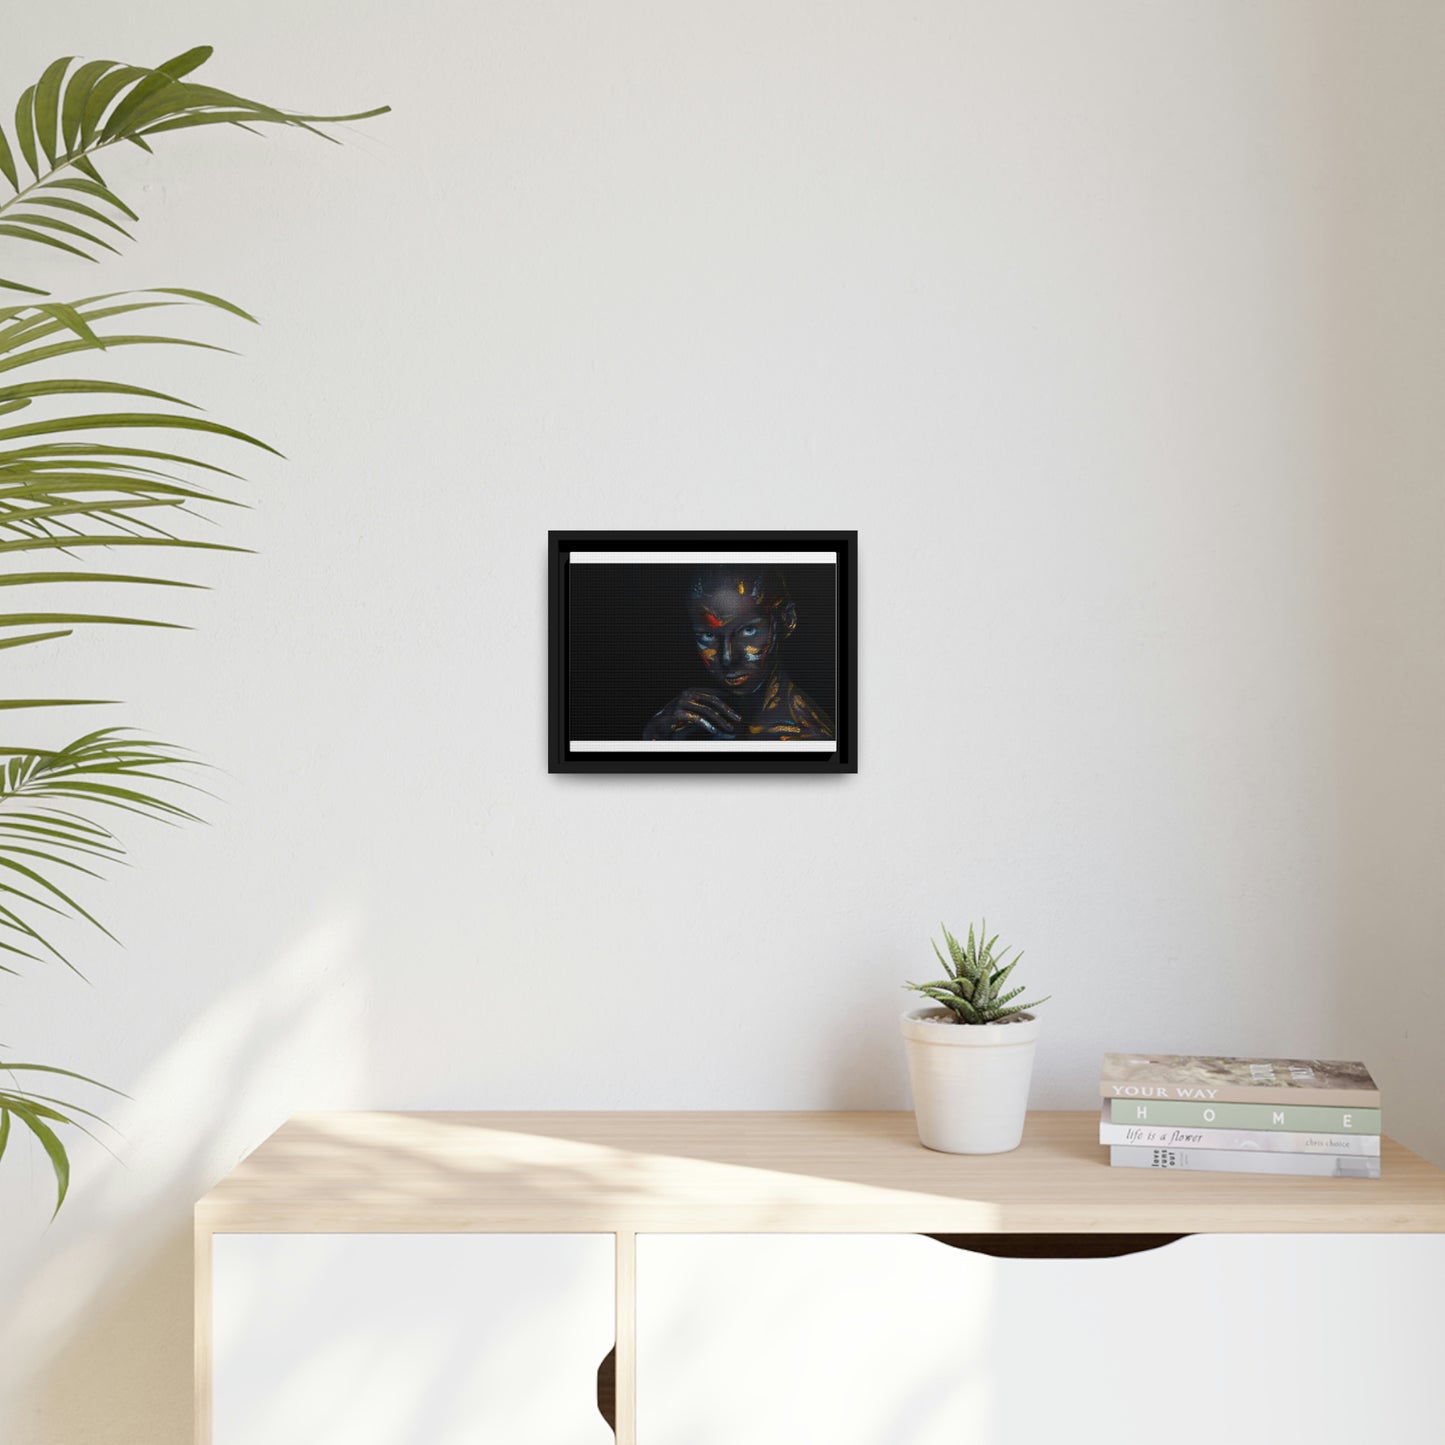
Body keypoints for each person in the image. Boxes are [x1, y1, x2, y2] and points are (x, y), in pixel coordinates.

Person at [642, 566, 834, 741]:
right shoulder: (685, 722)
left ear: (787, 620)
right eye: (708, 635)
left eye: (748, 630)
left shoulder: (804, 739)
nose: (727, 658)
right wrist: (654, 734)